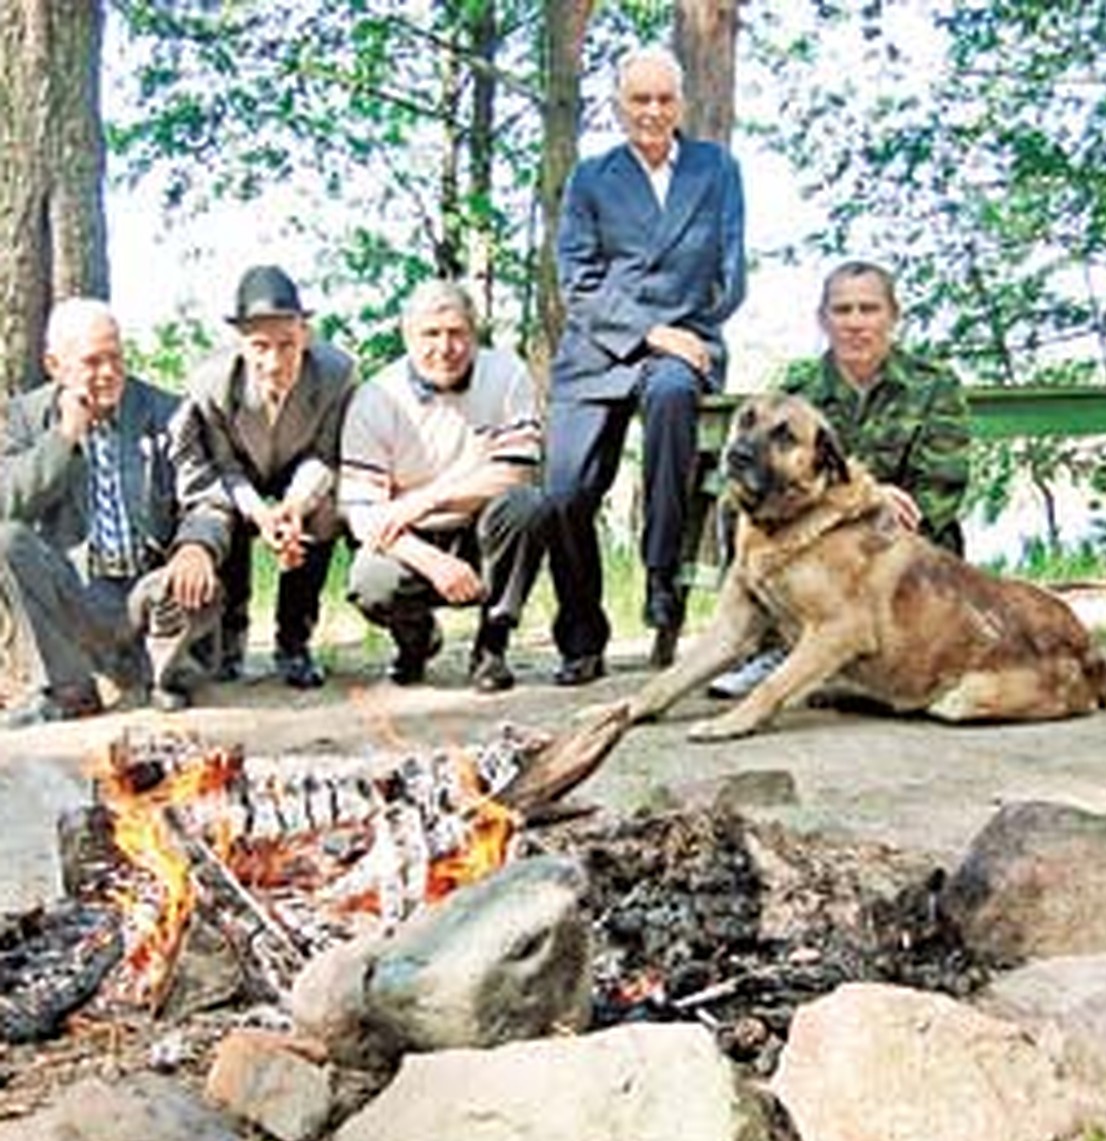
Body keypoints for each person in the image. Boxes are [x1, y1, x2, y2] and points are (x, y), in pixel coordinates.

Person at [542, 44, 747, 685]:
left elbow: (731, 273)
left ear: (680, 104)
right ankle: (581, 636)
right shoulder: (591, 179)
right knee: (564, 491)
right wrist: (647, 330)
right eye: (640, 99)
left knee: (670, 396)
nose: (653, 112)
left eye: (664, 99)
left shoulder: (716, 170)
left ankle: (661, 576)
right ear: (618, 106)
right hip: (599, 350)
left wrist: (687, 334)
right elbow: (577, 283)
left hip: (684, 346)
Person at [707, 258, 972, 698]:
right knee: (737, 510)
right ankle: (772, 648)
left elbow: (942, 488)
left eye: (868, 310)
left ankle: (867, 660)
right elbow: (769, 482)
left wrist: (876, 505)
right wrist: (865, 495)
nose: (855, 323)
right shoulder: (798, 389)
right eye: (842, 310)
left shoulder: (935, 385)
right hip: (816, 540)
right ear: (823, 319)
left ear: (893, 316)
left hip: (902, 545)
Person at [0, 297, 229, 725]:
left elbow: (208, 498)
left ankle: (162, 673)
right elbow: (7, 503)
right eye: (92, 362)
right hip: (77, 592)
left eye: (116, 358)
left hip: (149, 586)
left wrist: (197, 545)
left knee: (196, 580)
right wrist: (64, 436)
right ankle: (71, 689)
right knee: (6, 538)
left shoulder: (167, 412)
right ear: (55, 366)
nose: (108, 373)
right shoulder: (23, 419)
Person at [338, 279, 544, 692]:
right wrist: (433, 562)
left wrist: (425, 501)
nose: (444, 347)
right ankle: (415, 642)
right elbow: (362, 513)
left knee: (527, 505)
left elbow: (516, 471)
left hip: (480, 527)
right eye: (430, 334)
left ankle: (492, 647)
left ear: (474, 333)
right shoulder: (376, 396)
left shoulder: (507, 374)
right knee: (371, 582)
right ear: (407, 336)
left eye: (456, 333)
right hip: (409, 541)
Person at [182, 265, 357, 688]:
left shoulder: (338, 374)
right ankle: (230, 641)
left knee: (326, 514)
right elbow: (223, 467)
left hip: (303, 474)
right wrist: (261, 515)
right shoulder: (209, 384)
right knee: (219, 516)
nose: (274, 362)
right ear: (240, 343)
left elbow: (326, 454)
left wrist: (294, 508)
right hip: (240, 480)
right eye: (260, 346)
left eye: (287, 345)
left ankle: (294, 643)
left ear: (306, 335)